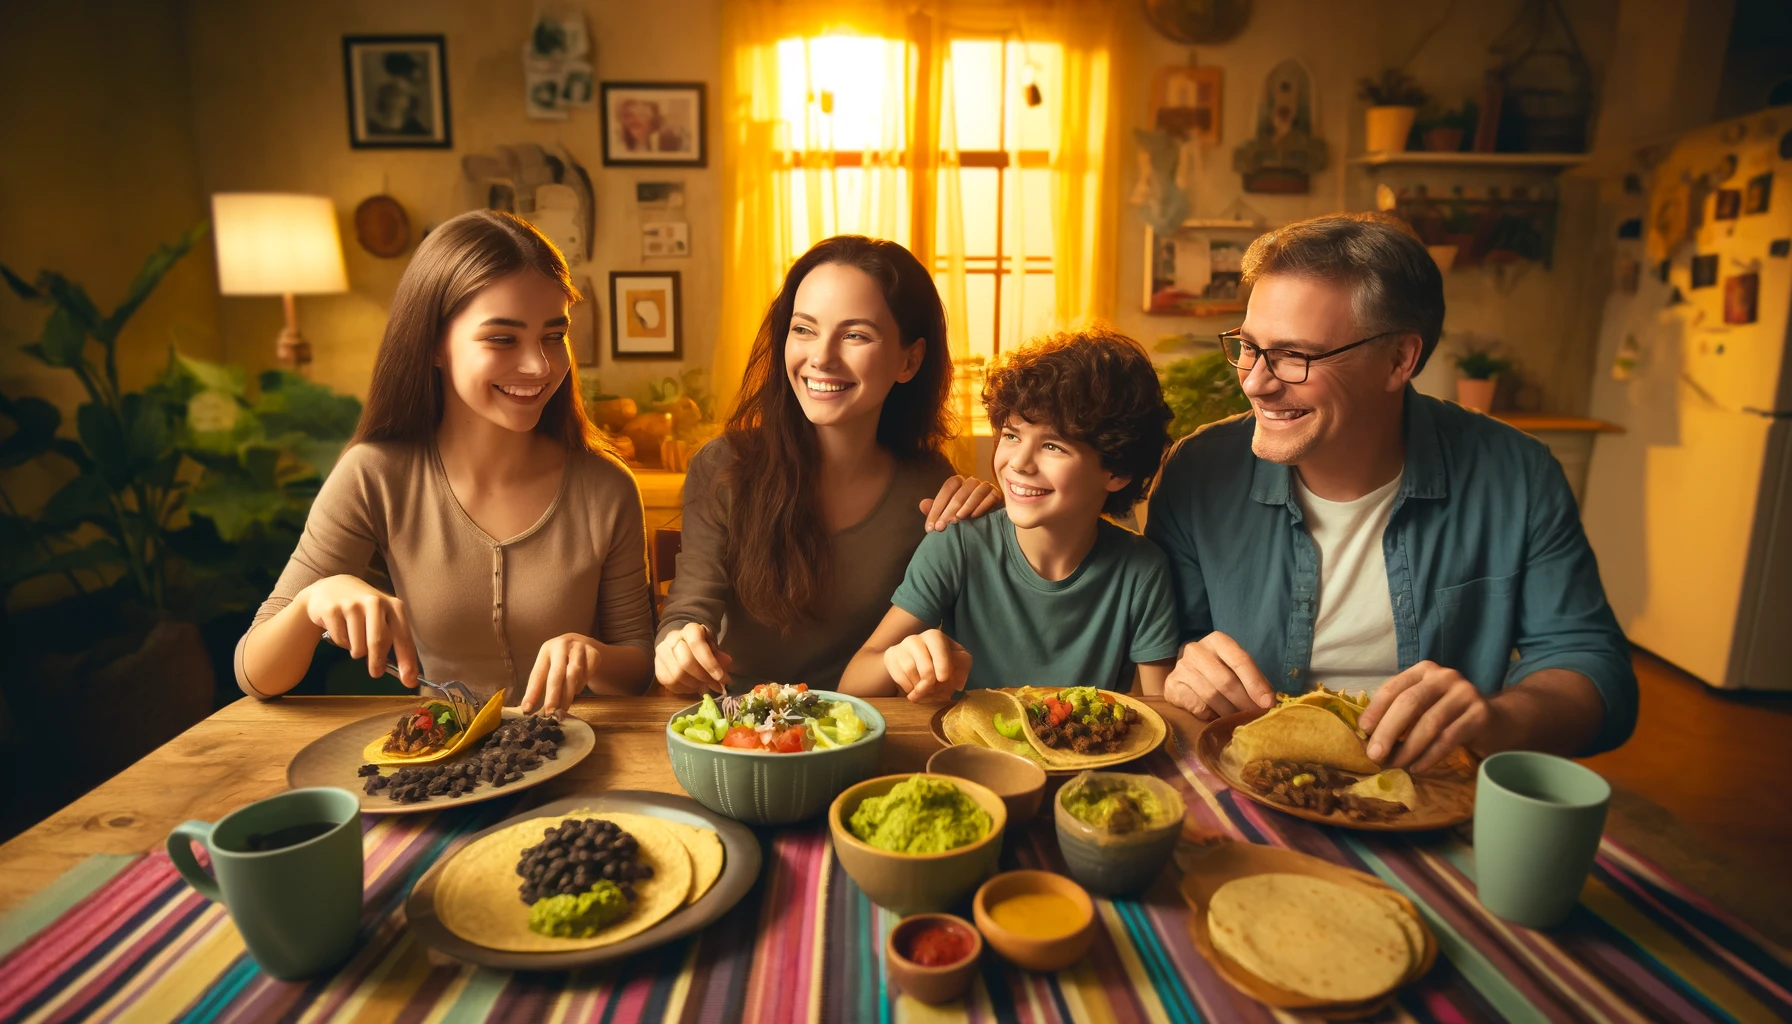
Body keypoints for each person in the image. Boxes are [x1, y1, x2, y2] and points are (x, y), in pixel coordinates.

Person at [1145, 212, 1638, 772]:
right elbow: (1158, 637)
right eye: (1249, 345)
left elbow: (1592, 668)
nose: (1256, 381)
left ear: (1399, 359)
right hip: (1245, 771)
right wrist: (1186, 662)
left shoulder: (1517, 475)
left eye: (1295, 356)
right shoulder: (1196, 472)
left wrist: (1495, 719)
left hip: (1429, 788)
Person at [236, 210, 654, 714]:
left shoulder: (607, 487)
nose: (539, 366)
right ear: (433, 343)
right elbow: (255, 675)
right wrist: (311, 603)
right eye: (502, 338)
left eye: (552, 335)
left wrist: (594, 658)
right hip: (438, 772)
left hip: (577, 761)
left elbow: (637, 671)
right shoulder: (374, 476)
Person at [655, 235, 998, 694]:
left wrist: (997, 515)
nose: (820, 357)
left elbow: (961, 624)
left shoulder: (928, 485)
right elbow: (686, 611)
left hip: (865, 727)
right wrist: (677, 646)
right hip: (737, 727)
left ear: (909, 360)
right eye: (804, 329)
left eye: (855, 335)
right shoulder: (724, 466)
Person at [840, 328, 1181, 701]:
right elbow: (851, 685)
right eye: (1012, 435)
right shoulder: (958, 544)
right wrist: (897, 659)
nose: (1018, 463)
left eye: (1053, 446)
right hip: (967, 754)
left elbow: (1161, 716)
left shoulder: (1142, 572)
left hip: (1088, 759)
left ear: (1117, 471)